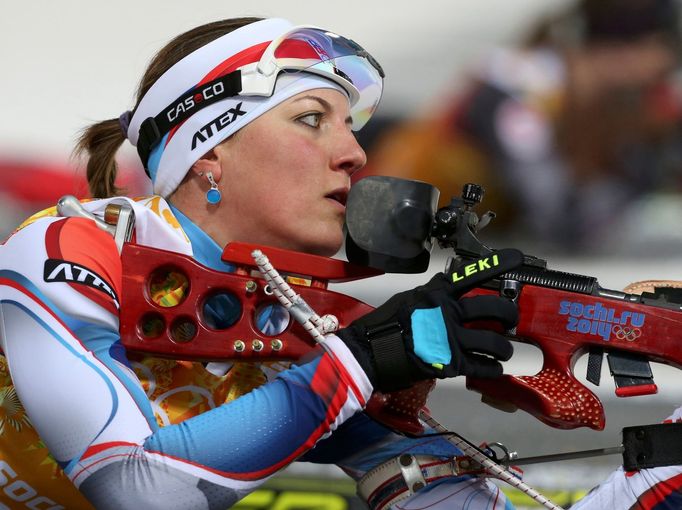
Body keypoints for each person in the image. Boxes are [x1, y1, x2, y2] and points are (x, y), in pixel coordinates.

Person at [1, 15, 681, 510]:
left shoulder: (302, 317)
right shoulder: (67, 250)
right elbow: (137, 490)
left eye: (350, 127)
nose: (355, 154)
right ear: (209, 152)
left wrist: (656, 480)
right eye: (311, 119)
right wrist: (362, 360)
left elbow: (442, 502)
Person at [361, 0, 682, 254]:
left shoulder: (612, 104)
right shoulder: (518, 90)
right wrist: (647, 163)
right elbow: (564, 222)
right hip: (368, 185)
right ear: (624, 57)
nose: (657, 91)